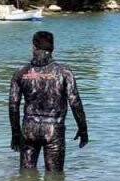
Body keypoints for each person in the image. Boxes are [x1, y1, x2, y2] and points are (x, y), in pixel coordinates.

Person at [8, 30, 89, 172]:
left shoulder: (20, 72)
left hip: (28, 129)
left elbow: (13, 105)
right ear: (53, 49)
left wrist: (15, 133)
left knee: (26, 175)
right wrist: (83, 129)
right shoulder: (64, 72)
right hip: (53, 129)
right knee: (54, 179)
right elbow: (74, 102)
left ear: (33, 47)